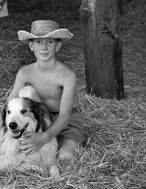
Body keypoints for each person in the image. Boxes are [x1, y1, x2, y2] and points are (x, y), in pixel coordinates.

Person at [6, 20, 86, 161]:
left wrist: (43, 138)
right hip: (40, 121)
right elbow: (9, 105)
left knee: (64, 158)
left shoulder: (67, 75)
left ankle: (74, 142)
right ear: (31, 46)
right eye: (38, 42)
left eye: (49, 42)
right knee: (26, 93)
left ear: (58, 46)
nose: (44, 47)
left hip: (67, 123)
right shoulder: (25, 72)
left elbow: (64, 116)